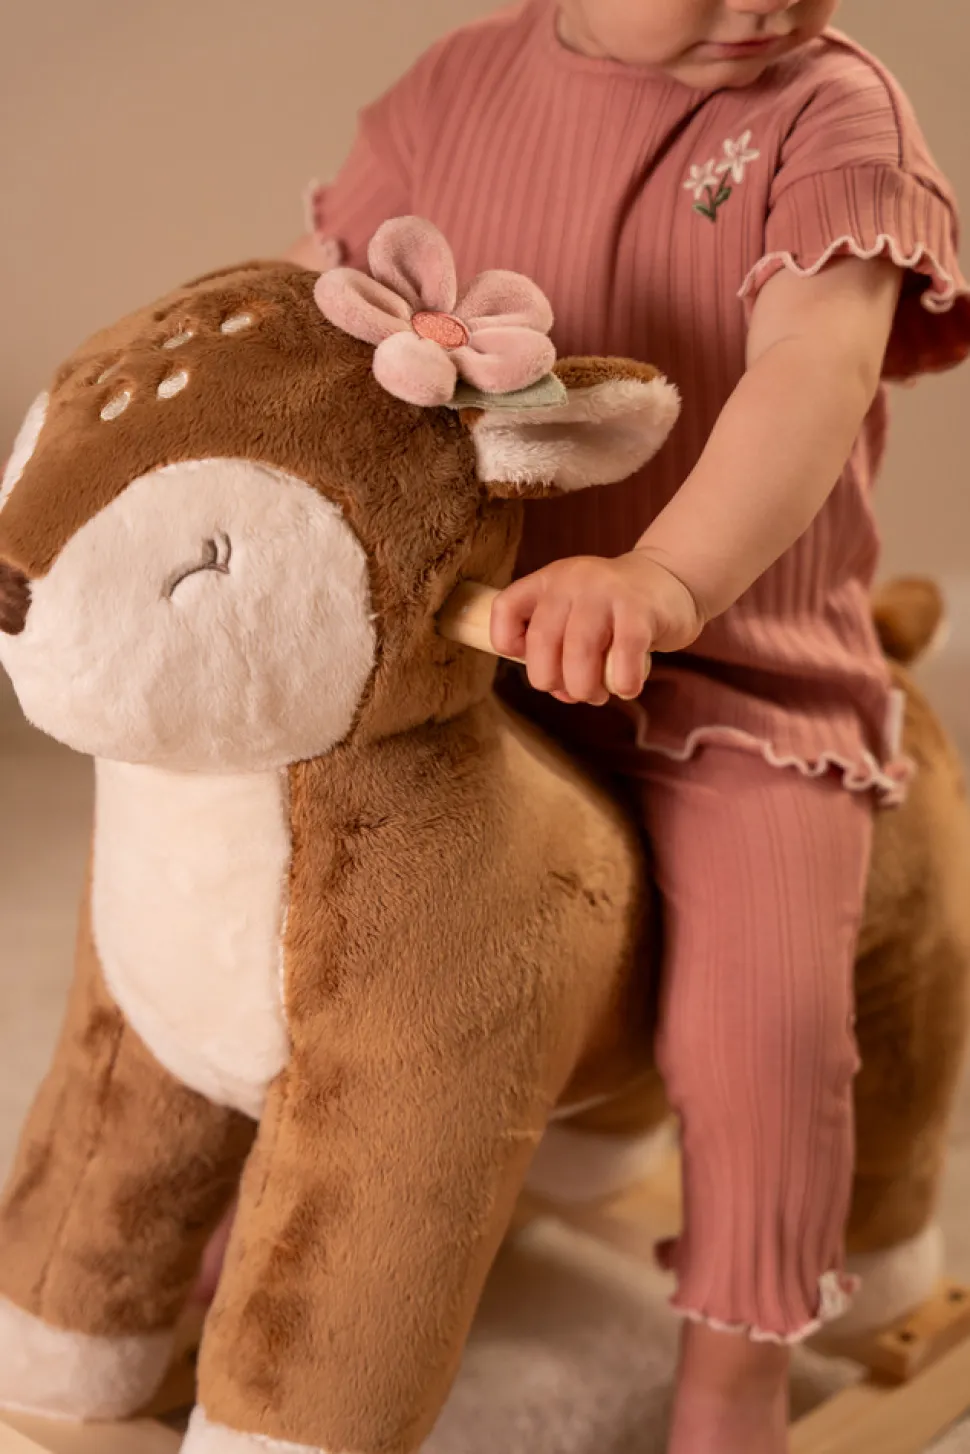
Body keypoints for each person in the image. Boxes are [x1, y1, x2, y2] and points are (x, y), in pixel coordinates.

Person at [280, 3, 969, 1450]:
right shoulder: (454, 88)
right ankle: (283, 1220)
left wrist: (663, 578)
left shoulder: (825, 114)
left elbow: (812, 365)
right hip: (471, 651)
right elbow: (322, 317)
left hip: (735, 676)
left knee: (763, 1023)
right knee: (302, 922)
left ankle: (736, 1361)